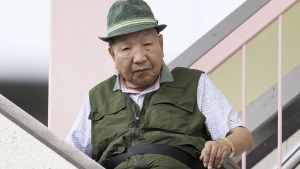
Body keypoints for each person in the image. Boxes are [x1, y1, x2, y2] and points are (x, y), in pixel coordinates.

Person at [66, 0, 253, 168]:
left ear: (160, 44)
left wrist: (225, 145)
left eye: (147, 44)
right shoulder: (96, 97)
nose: (139, 58)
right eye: (126, 49)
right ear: (112, 55)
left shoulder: (194, 83)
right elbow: (67, 155)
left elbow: (242, 136)